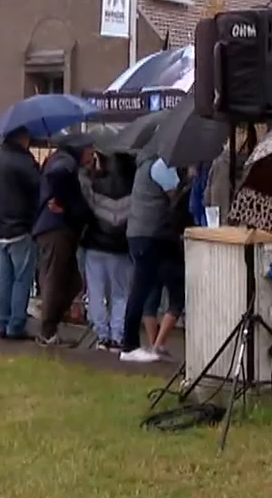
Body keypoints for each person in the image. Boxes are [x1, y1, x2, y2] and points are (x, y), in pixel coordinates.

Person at [120, 156, 189, 364]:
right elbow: (175, 197)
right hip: (151, 235)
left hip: (139, 233)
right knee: (140, 290)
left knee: (144, 289)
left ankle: (138, 344)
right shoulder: (161, 166)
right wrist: (187, 182)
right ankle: (129, 345)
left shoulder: (144, 166)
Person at [0, 128, 45, 340]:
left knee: (5, 279)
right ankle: (16, 325)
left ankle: (1, 323)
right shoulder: (24, 162)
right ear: (22, 138)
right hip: (20, 226)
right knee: (21, 279)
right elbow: (39, 188)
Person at [32, 136, 96, 346]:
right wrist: (62, 202)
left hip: (56, 228)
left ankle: (51, 325)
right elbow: (58, 175)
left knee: (71, 282)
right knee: (55, 280)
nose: (92, 154)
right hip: (56, 229)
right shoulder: (65, 162)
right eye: (89, 149)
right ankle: (47, 330)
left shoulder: (62, 160)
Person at [79, 149, 135, 350]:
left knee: (95, 292)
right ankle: (117, 335)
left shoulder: (97, 185)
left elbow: (87, 208)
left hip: (95, 244)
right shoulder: (132, 188)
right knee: (120, 293)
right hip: (121, 247)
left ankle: (101, 334)